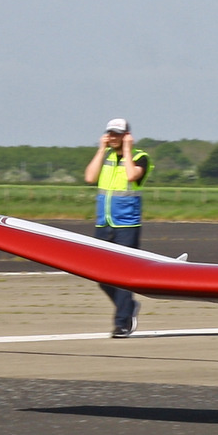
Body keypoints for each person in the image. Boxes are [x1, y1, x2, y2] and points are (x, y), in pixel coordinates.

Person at [84, 118, 150, 338]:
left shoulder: (141, 157)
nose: (112, 137)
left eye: (117, 134)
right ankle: (128, 307)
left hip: (127, 225)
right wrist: (101, 150)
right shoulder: (107, 157)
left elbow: (132, 175)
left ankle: (122, 322)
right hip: (104, 223)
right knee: (100, 275)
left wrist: (128, 150)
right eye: (110, 133)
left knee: (122, 275)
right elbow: (89, 177)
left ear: (126, 136)